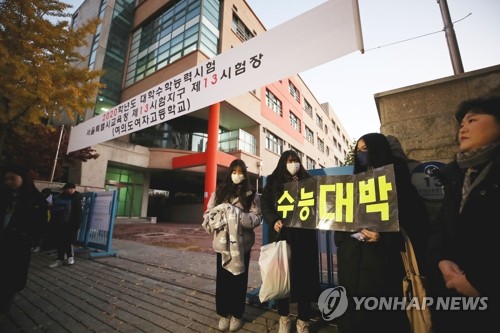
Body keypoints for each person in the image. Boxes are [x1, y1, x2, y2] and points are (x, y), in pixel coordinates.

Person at [334, 133, 430, 333]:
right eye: (358, 150)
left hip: (381, 266)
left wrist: (383, 237)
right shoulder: (351, 183)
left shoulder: (398, 181)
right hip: (351, 265)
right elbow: (341, 220)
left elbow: (416, 224)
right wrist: (342, 236)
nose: (361, 154)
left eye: (366, 149)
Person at [427, 96, 500, 332]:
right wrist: (442, 259)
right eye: (461, 125)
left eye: (473, 120)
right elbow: (441, 226)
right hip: (452, 298)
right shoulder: (456, 177)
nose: (463, 128)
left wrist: (479, 282)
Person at [260, 150, 320, 333]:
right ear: (282, 163)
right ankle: (284, 318)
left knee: (304, 278)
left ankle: (303, 319)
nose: (293, 164)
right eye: (289, 161)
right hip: (282, 236)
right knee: (282, 278)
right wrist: (273, 220)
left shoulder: (309, 181)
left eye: (295, 161)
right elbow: (266, 205)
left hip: (304, 238)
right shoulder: (273, 182)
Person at [202, 159, 262, 332]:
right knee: (223, 280)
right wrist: (222, 216)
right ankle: (224, 314)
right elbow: (209, 213)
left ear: (245, 174)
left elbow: (256, 218)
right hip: (223, 243)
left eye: (240, 172)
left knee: (239, 280)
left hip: (242, 245)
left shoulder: (252, 193)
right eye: (234, 172)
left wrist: (236, 215)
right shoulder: (220, 190)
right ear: (230, 173)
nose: (237, 175)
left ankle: (237, 314)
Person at [0, 164, 48, 314]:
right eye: (6, 179)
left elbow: (41, 223)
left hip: (19, 243)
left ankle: (4, 306)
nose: (8, 182)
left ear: (23, 178)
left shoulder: (35, 198)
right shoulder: (3, 195)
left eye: (12, 178)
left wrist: (35, 240)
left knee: (11, 277)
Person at [49, 182, 83, 268]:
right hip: (60, 222)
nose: (71, 190)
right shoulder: (60, 197)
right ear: (65, 189)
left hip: (71, 223)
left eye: (73, 188)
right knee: (61, 240)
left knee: (68, 241)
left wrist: (77, 224)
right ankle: (60, 259)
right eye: (69, 188)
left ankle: (70, 257)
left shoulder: (77, 197)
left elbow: (79, 213)